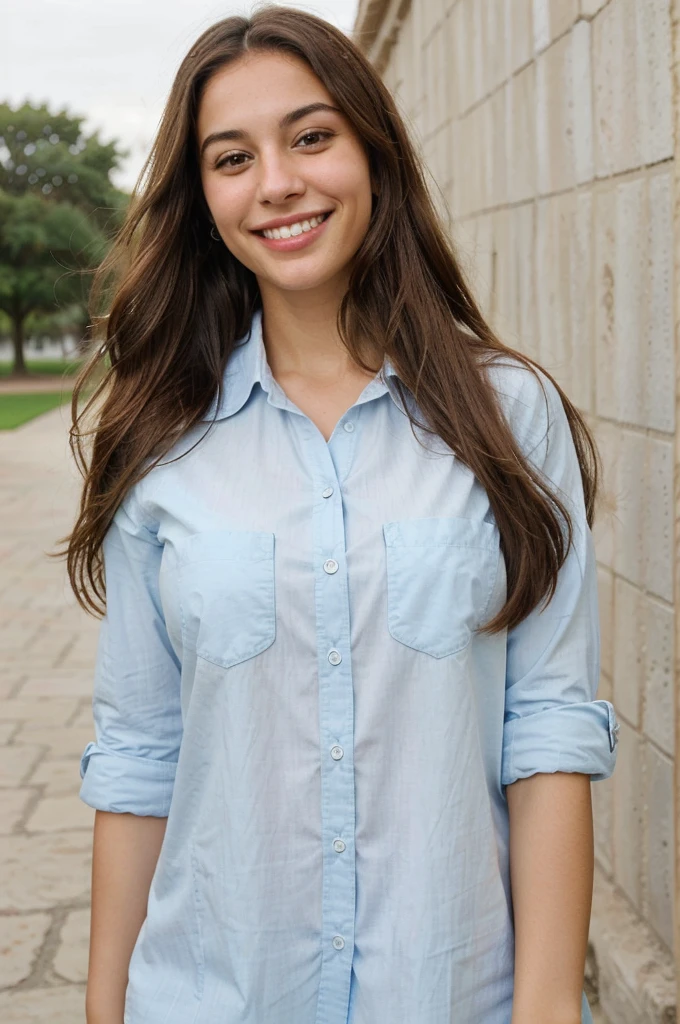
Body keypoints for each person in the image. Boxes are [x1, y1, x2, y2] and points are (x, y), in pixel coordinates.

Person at [61, 5, 619, 1023]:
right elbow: (140, 752)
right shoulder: (161, 441)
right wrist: (104, 1010)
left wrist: (547, 1009)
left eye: (310, 136)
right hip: (208, 996)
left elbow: (545, 731)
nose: (276, 182)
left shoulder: (510, 418)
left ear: (374, 153)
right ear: (204, 199)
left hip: (447, 993)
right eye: (231, 158)